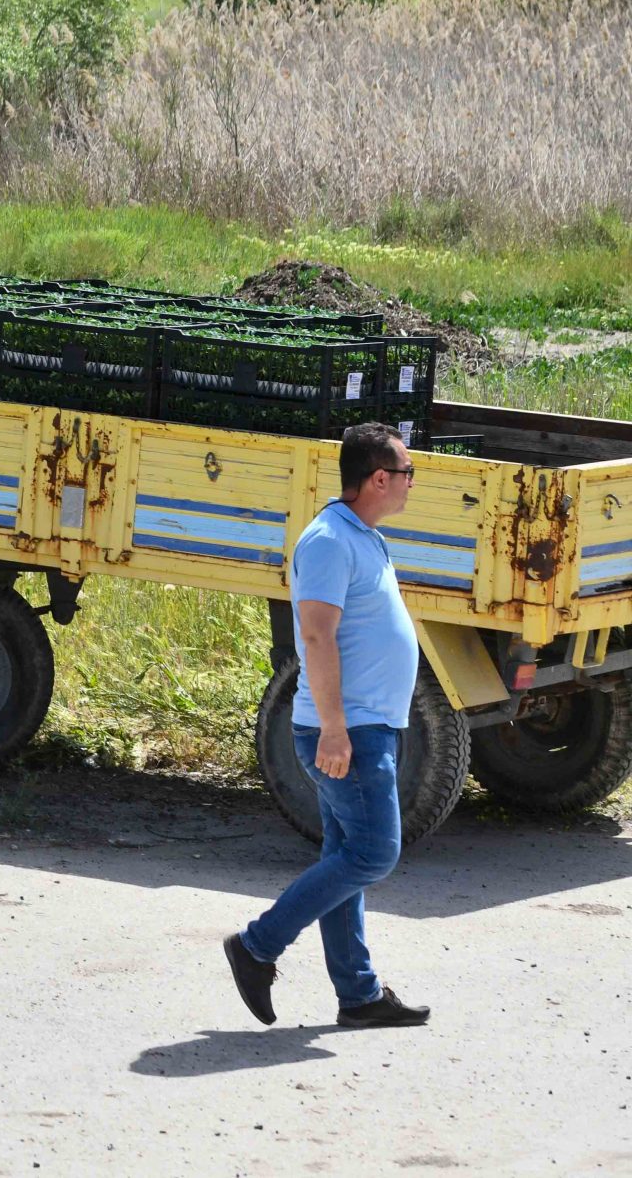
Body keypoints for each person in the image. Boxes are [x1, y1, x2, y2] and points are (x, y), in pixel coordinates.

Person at [224, 421, 431, 1029]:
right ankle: (257, 945)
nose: (411, 484)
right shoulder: (327, 541)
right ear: (377, 478)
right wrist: (335, 729)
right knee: (373, 853)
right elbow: (315, 636)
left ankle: (359, 996)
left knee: (346, 856)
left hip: (372, 725)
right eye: (407, 473)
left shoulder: (363, 534)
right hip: (346, 730)